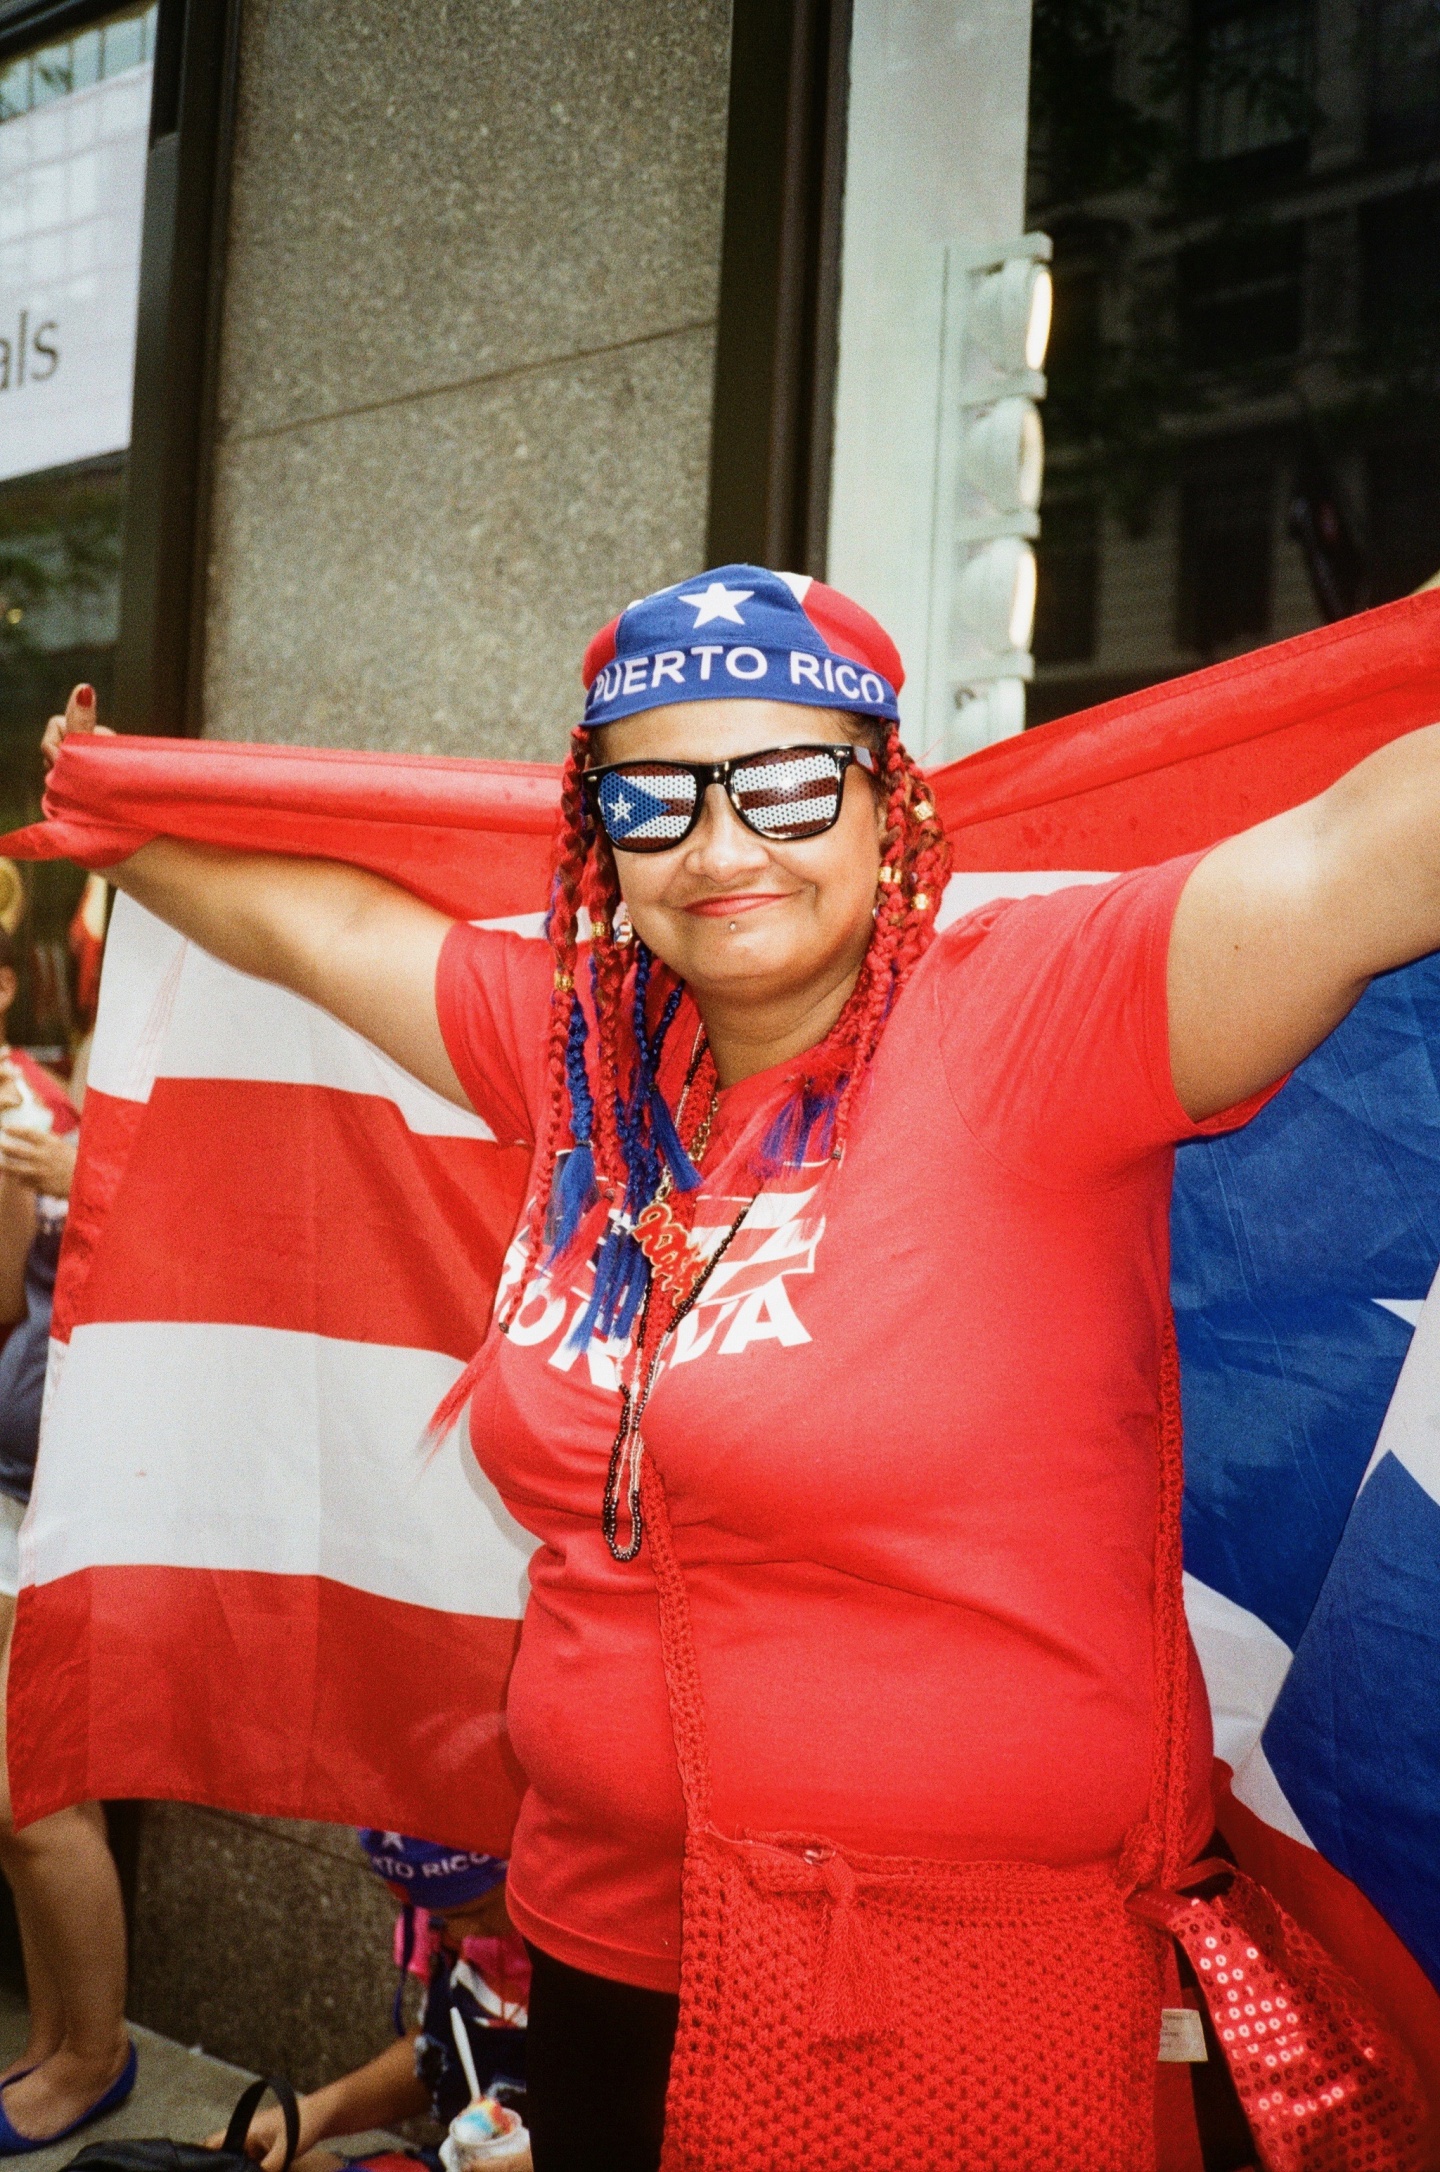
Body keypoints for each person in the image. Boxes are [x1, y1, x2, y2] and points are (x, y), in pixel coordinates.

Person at [38, 564, 1440, 2171]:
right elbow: (330, 929)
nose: (722, 848)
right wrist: (123, 829)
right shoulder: (585, 1053)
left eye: (787, 783)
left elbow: (1357, 857)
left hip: (956, 1986)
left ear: (885, 800)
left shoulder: (1043, 1014)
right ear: (600, 831)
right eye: (655, 797)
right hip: (602, 1945)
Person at [0, 907, 134, 2155]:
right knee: (23, 1798)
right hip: (24, 1471)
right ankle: (55, 2045)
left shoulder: (96, 1099)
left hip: (75, 1485)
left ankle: (91, 2054)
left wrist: (78, 1179)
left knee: (34, 1793)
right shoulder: (74, 1078)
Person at [219, 1835, 527, 2172]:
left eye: (475, 1911)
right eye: (438, 1914)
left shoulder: (586, 1956)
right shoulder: (447, 1924)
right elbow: (440, 2058)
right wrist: (315, 2114)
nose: (460, 1930)